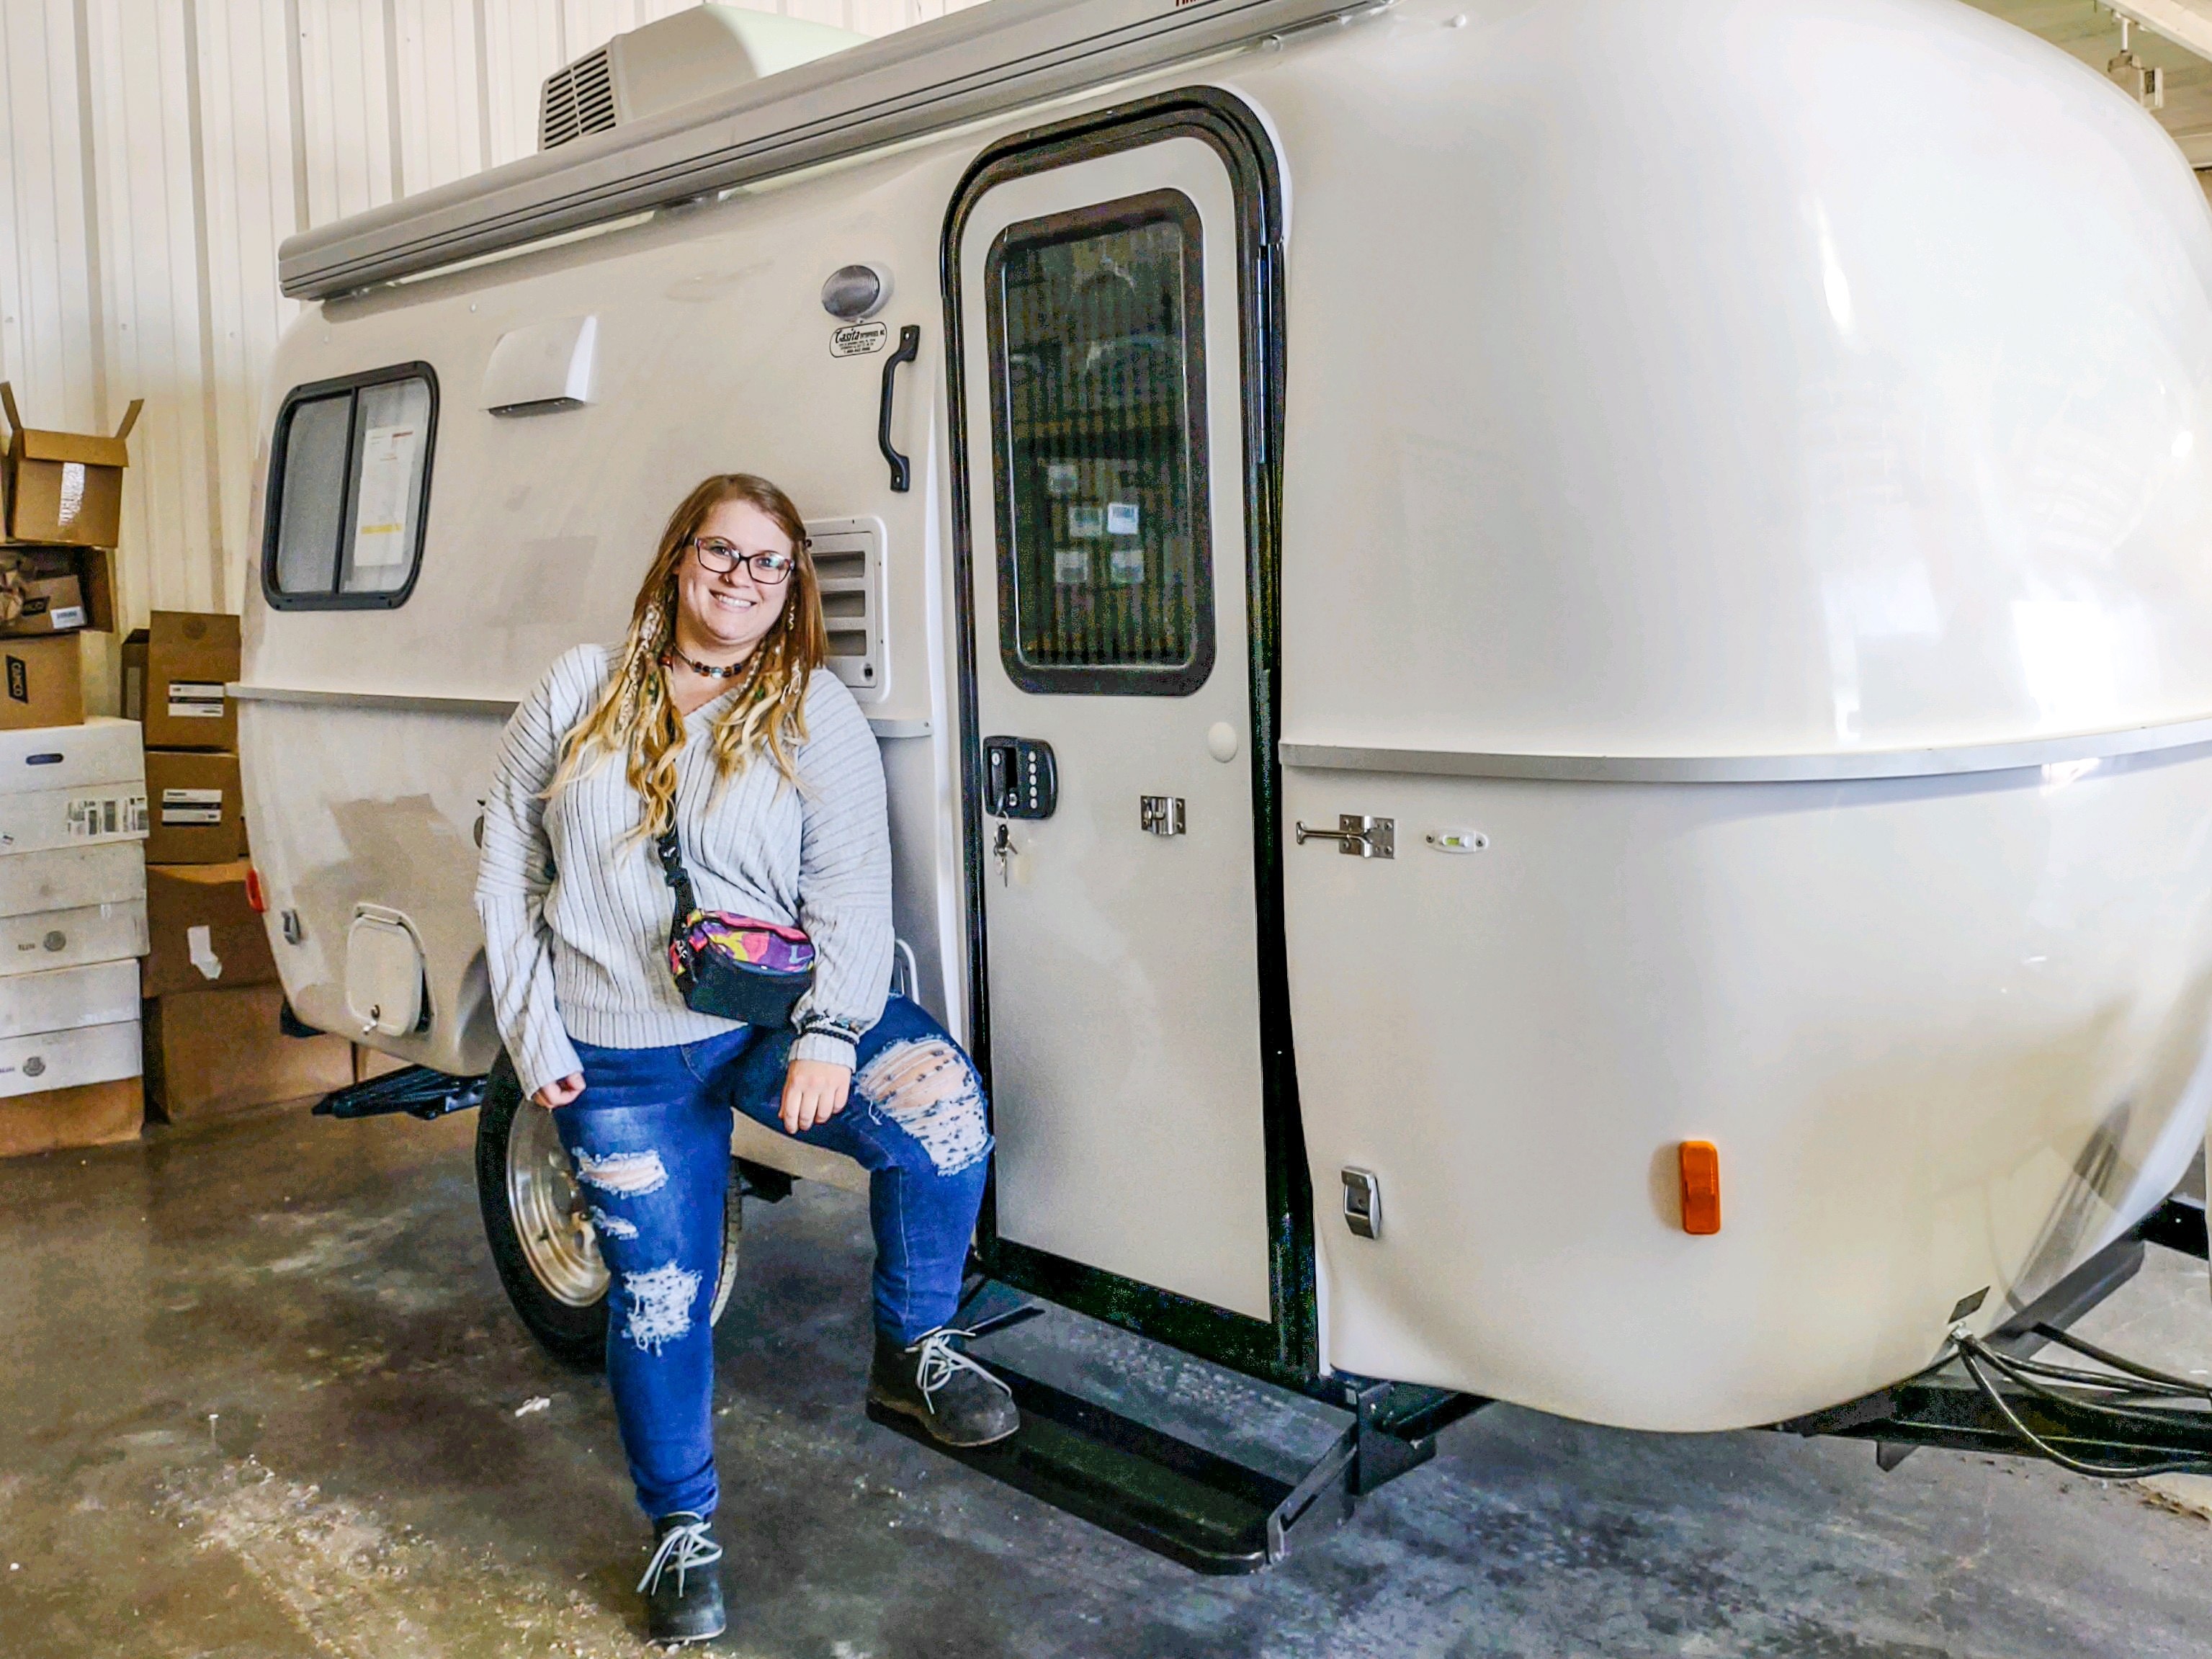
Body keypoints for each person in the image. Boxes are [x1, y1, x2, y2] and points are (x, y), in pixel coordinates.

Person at [475, 473, 1017, 1646]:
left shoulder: (809, 709)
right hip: (616, 1051)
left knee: (942, 1112)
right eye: (722, 553)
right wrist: (533, 1037)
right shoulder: (579, 686)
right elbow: (509, 870)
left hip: (770, 1022)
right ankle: (681, 1527)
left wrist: (829, 1032)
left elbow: (852, 892)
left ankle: (913, 1346)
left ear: (793, 587)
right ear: (678, 559)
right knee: (661, 1299)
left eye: (771, 564)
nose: (743, 579)